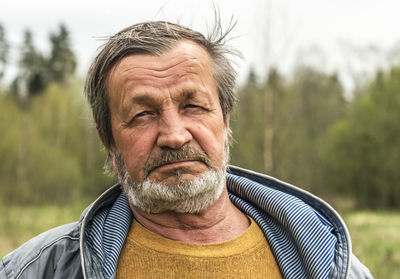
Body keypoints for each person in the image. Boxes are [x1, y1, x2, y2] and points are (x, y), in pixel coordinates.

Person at [0, 21, 372, 279]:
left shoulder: (331, 266)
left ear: (225, 120)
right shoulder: (37, 269)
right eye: (143, 114)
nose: (175, 136)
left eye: (193, 106)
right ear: (108, 142)